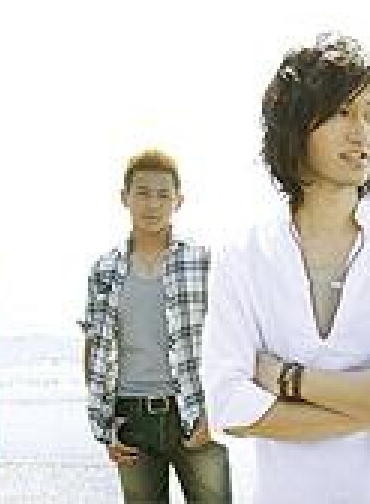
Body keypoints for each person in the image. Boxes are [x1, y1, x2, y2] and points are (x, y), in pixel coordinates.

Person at [203, 32, 370, 504]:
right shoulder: (244, 255)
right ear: (296, 126)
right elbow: (229, 407)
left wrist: (291, 381)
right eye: (342, 112)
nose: (362, 133)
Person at [78, 149, 231, 503]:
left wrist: (214, 416)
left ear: (179, 200)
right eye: (143, 193)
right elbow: (95, 348)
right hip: (131, 417)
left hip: (194, 411)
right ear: (125, 197)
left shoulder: (203, 262)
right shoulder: (104, 269)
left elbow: (229, 341)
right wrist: (105, 425)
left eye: (163, 195)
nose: (152, 204)